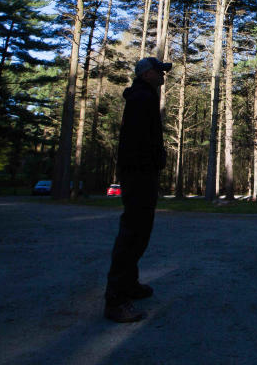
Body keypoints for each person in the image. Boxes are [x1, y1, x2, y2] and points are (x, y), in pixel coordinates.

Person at [103, 56, 171, 323]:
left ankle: (129, 285)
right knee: (132, 233)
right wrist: (152, 159)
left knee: (140, 231)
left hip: (141, 172)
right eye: (159, 71)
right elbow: (138, 140)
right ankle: (116, 300)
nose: (163, 75)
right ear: (145, 74)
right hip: (139, 173)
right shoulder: (142, 98)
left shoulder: (145, 96)